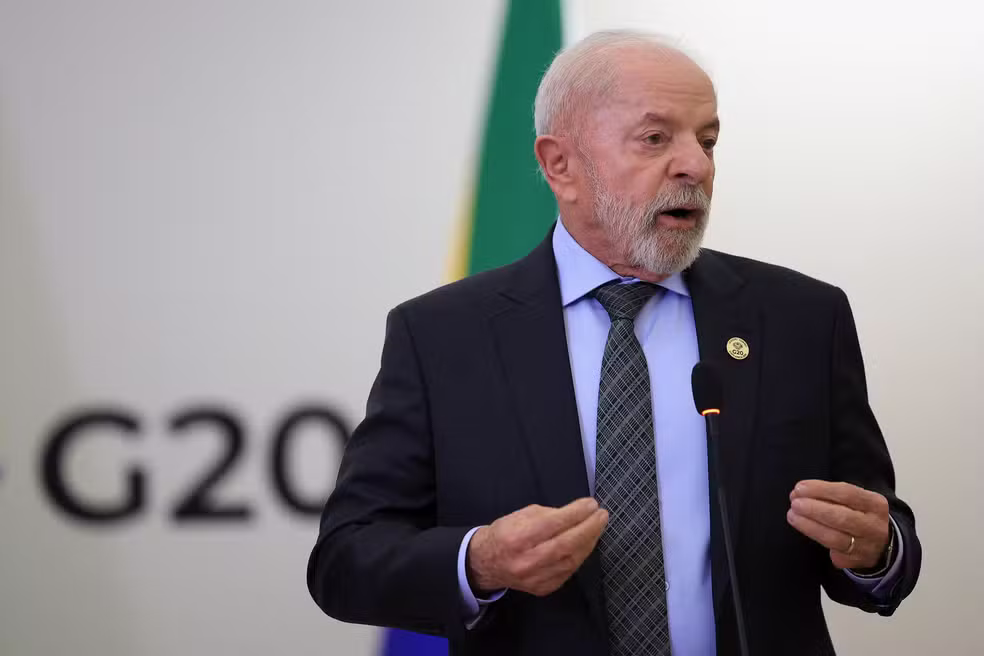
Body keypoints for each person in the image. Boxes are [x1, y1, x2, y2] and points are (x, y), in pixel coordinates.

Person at [307, 30, 921, 656]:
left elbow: (884, 537)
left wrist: (877, 550)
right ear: (560, 165)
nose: (697, 166)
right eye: (655, 138)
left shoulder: (799, 319)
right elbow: (346, 560)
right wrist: (479, 561)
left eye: (707, 140)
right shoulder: (443, 335)